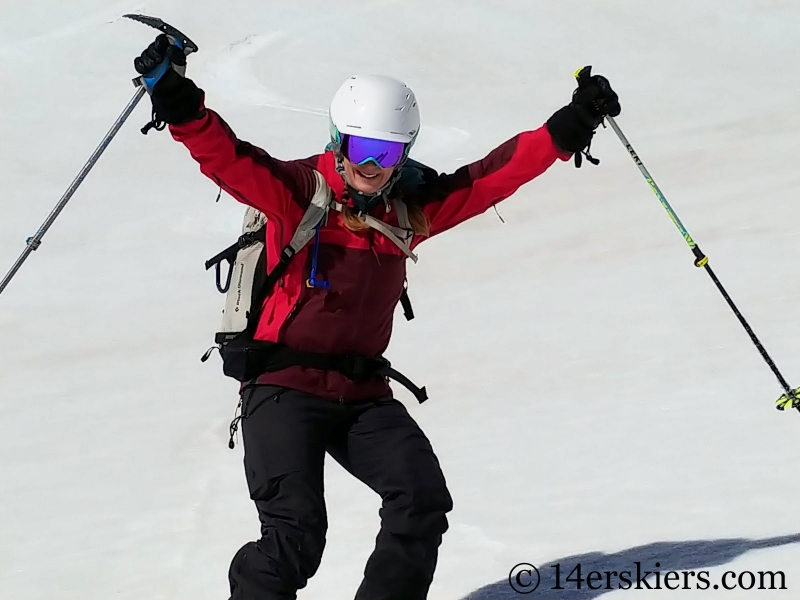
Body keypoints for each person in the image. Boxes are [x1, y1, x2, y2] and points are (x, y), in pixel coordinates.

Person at [133, 34, 620, 600]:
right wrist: (175, 97)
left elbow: (489, 178)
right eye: (362, 148)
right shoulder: (298, 193)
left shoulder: (409, 209)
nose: (372, 165)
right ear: (338, 139)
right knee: (295, 537)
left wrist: (568, 126)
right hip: (283, 388)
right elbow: (228, 158)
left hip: (362, 394)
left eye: (387, 153)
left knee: (421, 500)